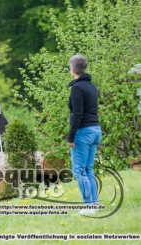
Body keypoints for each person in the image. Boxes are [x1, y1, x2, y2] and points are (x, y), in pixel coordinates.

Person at [67, 54, 102, 215]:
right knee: (88, 169)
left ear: (72, 69)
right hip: (95, 130)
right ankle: (94, 204)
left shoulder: (77, 88)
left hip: (84, 132)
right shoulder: (91, 86)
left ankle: (89, 206)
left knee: (79, 171)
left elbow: (78, 114)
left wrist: (71, 136)